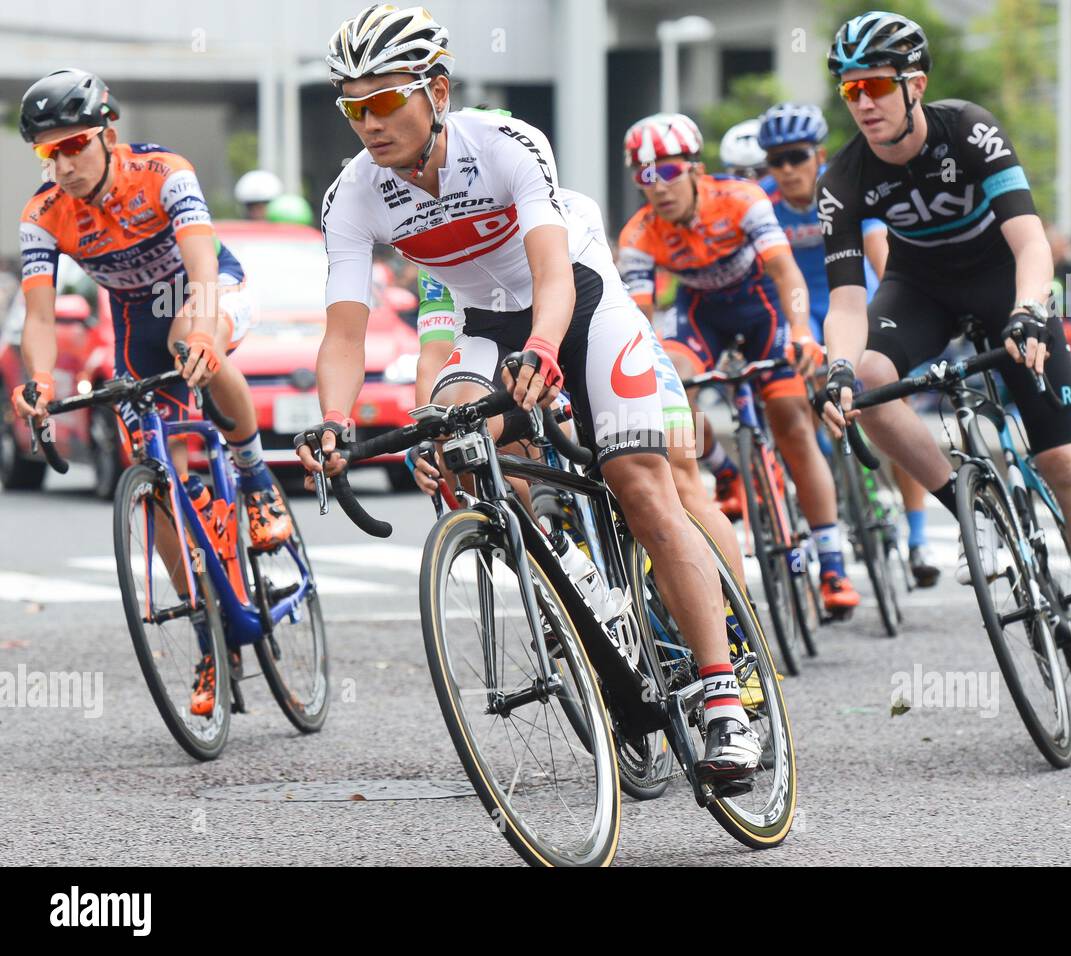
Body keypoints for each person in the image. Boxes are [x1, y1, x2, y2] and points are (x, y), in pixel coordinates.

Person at [297, 4, 762, 782]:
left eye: (384, 101)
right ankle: (573, 578)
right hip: (485, 325)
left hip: (578, 304)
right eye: (354, 107)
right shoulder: (354, 193)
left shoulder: (505, 144)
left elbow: (551, 272)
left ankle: (725, 701)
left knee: (639, 482)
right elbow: (345, 330)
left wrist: (545, 349)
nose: (368, 123)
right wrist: (336, 422)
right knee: (455, 438)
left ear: (436, 91)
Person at [816, 11, 1071, 696]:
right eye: (851, 91)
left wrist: (1031, 311)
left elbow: (1032, 242)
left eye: (877, 86)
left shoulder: (967, 127)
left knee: (1062, 459)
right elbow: (849, 302)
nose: (865, 104)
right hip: (920, 289)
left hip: (1007, 283)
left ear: (917, 84)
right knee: (875, 382)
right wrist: (839, 369)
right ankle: (973, 515)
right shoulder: (843, 178)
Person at [10, 68, 292, 714]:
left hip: (208, 291)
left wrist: (202, 330)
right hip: (136, 322)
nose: (64, 162)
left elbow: (201, 265)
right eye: (49, 152)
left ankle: (256, 483)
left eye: (75, 144)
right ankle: (208, 641)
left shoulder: (166, 173)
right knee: (156, 477)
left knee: (192, 334)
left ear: (108, 132)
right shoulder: (43, 214)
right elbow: (44, 318)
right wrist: (43, 382)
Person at [408, 179, 747, 582]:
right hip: (524, 365)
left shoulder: (563, 207)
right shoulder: (440, 248)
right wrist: (426, 433)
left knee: (680, 478)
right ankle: (568, 589)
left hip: (609, 340)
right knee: (504, 461)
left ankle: (736, 632)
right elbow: (434, 353)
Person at [618, 111, 861, 615]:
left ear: (694, 169)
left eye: (666, 171)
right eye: (644, 177)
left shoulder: (741, 199)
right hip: (700, 313)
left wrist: (800, 331)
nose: (657, 187)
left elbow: (784, 270)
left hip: (761, 307)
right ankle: (719, 465)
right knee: (672, 388)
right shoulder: (639, 234)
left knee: (791, 420)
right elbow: (636, 321)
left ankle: (832, 561)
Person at [756, 101, 939, 586]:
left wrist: (899, 316)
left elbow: (881, 256)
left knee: (890, 404)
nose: (788, 169)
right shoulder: (764, 202)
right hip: (801, 312)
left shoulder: (844, 184)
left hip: (857, 302)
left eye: (796, 156)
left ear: (818, 154)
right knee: (794, 401)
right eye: (776, 161)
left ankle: (919, 537)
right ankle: (832, 474)